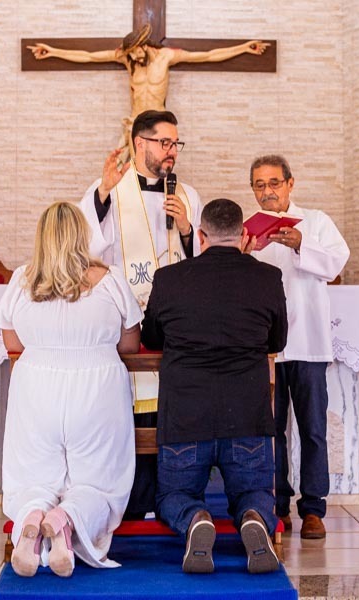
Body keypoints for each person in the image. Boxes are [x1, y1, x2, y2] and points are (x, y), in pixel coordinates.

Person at [141, 198, 288, 574]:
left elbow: (153, 338)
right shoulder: (267, 277)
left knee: (173, 495)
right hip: (248, 415)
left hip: (186, 418)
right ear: (242, 236)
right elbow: (277, 341)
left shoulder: (169, 279)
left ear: (201, 236)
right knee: (254, 491)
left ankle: (195, 520)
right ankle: (254, 519)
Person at [0, 202, 142, 577]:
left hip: (36, 391)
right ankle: (65, 521)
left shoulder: (20, 280)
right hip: (97, 391)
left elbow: (11, 341)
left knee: (33, 476)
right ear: (82, 235)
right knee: (100, 478)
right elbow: (129, 346)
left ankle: (30, 522)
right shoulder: (109, 280)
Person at [78, 109, 203, 521]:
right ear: (140, 144)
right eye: (165, 143)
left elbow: (201, 259)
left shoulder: (187, 195)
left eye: (175, 144)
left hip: (177, 323)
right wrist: (100, 197)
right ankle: (130, 500)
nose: (172, 152)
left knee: (170, 410)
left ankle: (174, 499)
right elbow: (88, 249)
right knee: (127, 411)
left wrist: (186, 230)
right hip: (126, 320)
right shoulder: (110, 189)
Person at [247, 155, 350, 540]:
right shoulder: (250, 231)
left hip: (308, 342)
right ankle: (277, 506)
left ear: (291, 184)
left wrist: (301, 244)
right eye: (259, 185)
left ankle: (313, 509)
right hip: (266, 349)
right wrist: (242, 254)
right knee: (270, 431)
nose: (267, 191)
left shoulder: (318, 223)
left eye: (274, 183)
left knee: (312, 428)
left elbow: (337, 264)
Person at [29, 25, 269, 161]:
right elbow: (88, 56)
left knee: (156, 171)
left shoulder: (166, 57)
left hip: (158, 125)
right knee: (125, 171)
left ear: (144, 45)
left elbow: (207, 55)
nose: (133, 57)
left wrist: (244, 48)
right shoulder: (127, 58)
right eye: (129, 53)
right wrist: (52, 51)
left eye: (135, 52)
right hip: (134, 125)